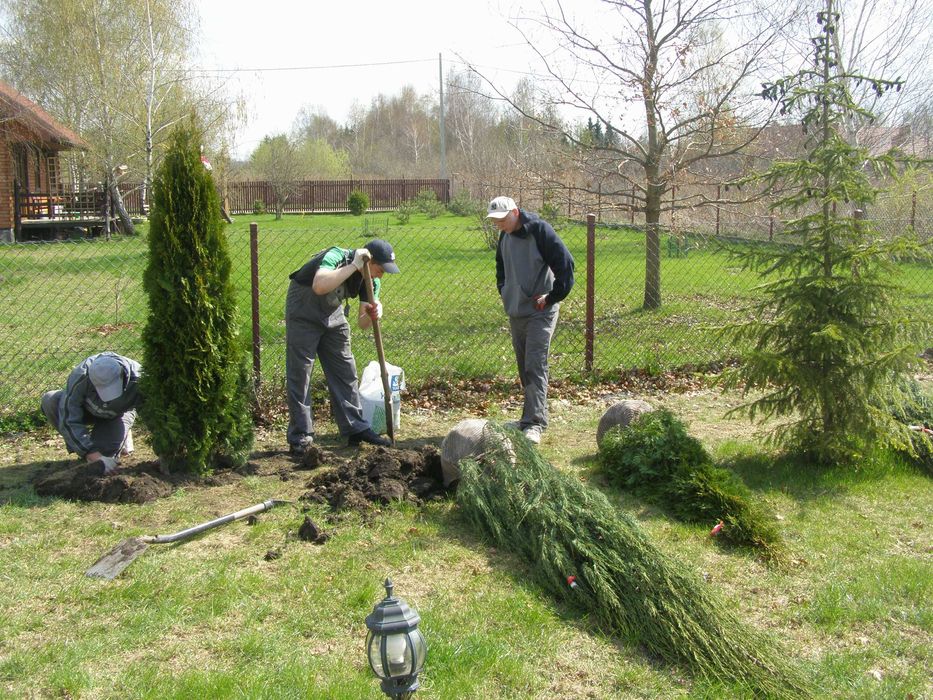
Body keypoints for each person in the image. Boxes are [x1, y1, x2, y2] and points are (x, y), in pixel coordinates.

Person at [285, 238, 400, 454]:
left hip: (333, 312)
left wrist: (375, 313)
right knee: (301, 373)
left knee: (346, 369)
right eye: (380, 268)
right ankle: (301, 435)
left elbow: (363, 323)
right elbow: (319, 286)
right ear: (369, 259)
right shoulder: (337, 256)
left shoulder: (371, 282)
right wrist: (354, 266)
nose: (381, 274)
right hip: (303, 308)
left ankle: (355, 427)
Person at [487, 196, 575, 444]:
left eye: (502, 219)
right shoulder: (505, 235)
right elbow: (500, 267)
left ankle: (535, 423)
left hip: (540, 311)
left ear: (515, 212)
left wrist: (552, 297)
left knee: (535, 364)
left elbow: (566, 265)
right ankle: (527, 419)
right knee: (524, 366)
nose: (498, 225)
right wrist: (505, 291)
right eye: (495, 221)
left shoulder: (540, 230)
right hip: (516, 310)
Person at [41, 352, 142, 475]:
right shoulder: (81, 375)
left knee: (105, 455)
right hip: (87, 410)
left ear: (121, 375)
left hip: (117, 414)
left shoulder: (140, 379)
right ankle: (82, 448)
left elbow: (156, 416)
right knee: (50, 400)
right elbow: (68, 415)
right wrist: (91, 452)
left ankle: (123, 432)